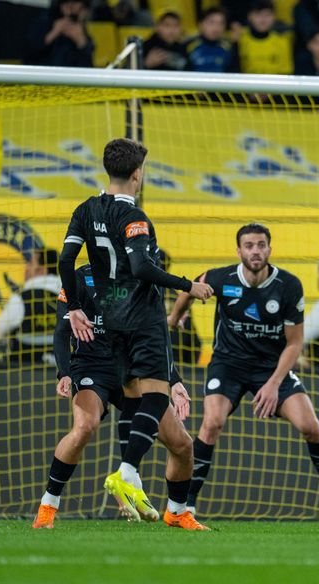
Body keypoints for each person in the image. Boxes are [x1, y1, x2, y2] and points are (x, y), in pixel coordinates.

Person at [58, 138, 212, 530]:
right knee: (156, 397)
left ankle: (175, 512)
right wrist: (186, 285)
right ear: (137, 175)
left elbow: (65, 259)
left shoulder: (85, 209)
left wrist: (75, 306)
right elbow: (143, 267)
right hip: (142, 319)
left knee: (178, 440)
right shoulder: (135, 217)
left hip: (110, 325)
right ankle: (127, 472)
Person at [168, 223, 319, 526]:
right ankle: (188, 504)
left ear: (270, 249)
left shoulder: (288, 286)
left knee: (311, 427)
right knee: (212, 423)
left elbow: (294, 343)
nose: (256, 250)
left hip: (272, 367)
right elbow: (192, 286)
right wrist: (175, 317)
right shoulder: (221, 278)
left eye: (261, 245)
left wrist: (273, 384)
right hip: (228, 365)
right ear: (239, 250)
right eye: (250, 245)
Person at [32, 263, 190, 528]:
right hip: (92, 365)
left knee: (182, 444)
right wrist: (65, 373)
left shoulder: (141, 276)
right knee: (85, 426)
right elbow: (62, 331)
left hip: (134, 367)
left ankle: (176, 512)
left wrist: (174, 381)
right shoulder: (79, 277)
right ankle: (48, 504)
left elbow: (157, 335)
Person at [0, 247, 61, 364]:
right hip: (62, 373)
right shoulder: (69, 296)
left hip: (26, 373)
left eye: (30, 263)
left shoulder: (21, 298)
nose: (26, 268)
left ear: (42, 271)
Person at [25, 0, 95, 68]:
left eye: (75, 2)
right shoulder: (44, 21)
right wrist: (54, 33)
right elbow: (30, 52)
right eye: (66, 2)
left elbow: (87, 68)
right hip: (42, 74)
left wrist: (81, 42)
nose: (70, 6)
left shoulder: (81, 29)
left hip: (69, 76)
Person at [233, 0, 292, 75]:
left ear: (274, 17)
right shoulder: (240, 38)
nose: (263, 19)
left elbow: (285, 73)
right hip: (245, 85)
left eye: (267, 15)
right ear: (250, 16)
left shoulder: (282, 42)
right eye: (258, 14)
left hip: (273, 85)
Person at [187, 7, 235, 73]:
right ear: (200, 24)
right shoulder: (189, 47)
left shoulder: (229, 49)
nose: (216, 27)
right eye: (211, 22)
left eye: (221, 23)